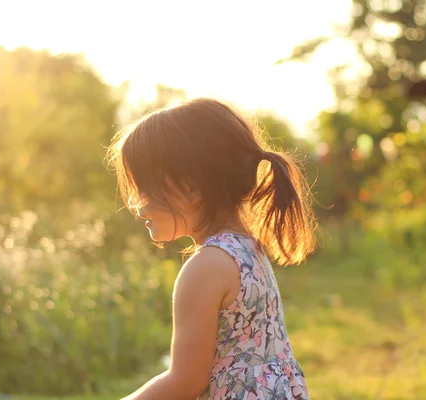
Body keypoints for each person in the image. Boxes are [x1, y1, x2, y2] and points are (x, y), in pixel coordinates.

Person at [107, 97, 317, 399]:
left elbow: (185, 381)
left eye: (143, 189)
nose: (135, 204)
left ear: (191, 190)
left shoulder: (206, 268)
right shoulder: (246, 250)